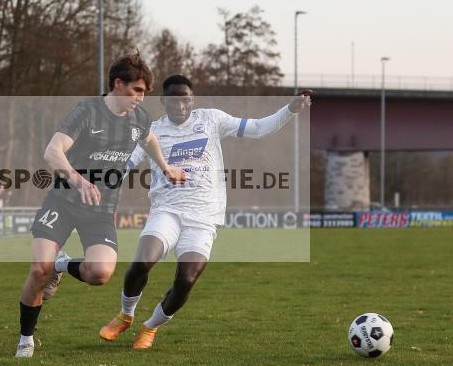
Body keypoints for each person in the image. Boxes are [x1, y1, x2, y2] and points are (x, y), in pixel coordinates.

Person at [99, 75, 312, 349]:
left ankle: (150, 327)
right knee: (141, 263)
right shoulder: (152, 130)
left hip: (204, 218)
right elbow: (127, 161)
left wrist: (290, 109)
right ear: (164, 101)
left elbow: (257, 128)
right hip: (167, 211)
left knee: (185, 280)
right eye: (174, 100)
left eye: (185, 99)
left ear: (192, 100)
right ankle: (125, 315)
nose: (180, 105)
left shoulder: (211, 120)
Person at [14, 52, 186, 358]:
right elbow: (52, 152)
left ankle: (61, 265)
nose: (141, 98)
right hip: (64, 200)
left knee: (101, 273)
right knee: (39, 269)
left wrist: (165, 166)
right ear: (118, 84)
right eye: (137, 90)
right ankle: (26, 339)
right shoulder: (87, 111)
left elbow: (149, 140)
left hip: (101, 209)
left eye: (145, 92)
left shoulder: (139, 119)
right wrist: (79, 180)